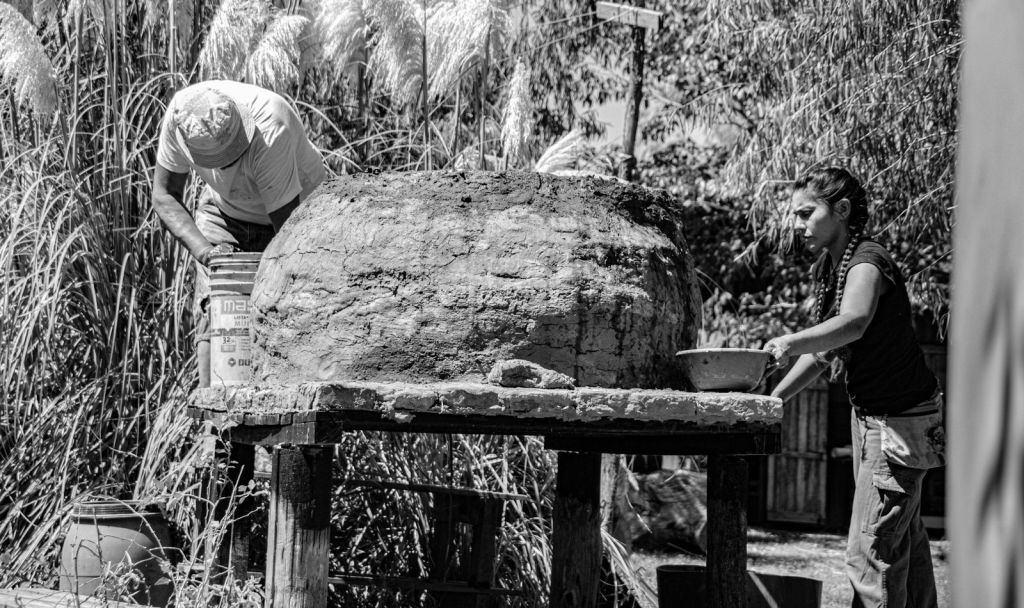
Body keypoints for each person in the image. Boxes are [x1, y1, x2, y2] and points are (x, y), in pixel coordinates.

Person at [762, 167, 944, 608]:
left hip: (899, 422)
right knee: (903, 541)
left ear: (841, 210)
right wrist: (772, 400)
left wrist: (789, 340)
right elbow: (826, 350)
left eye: (806, 213)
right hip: (872, 417)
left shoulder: (867, 261)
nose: (797, 224)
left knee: (871, 552)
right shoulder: (833, 266)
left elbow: (854, 323)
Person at [152, 80, 326, 387]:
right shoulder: (181, 118)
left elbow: (287, 238)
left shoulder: (270, 129)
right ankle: (211, 408)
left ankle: (279, 396)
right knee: (216, 306)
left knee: (283, 304)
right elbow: (164, 196)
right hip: (223, 210)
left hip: (293, 213)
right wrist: (207, 253)